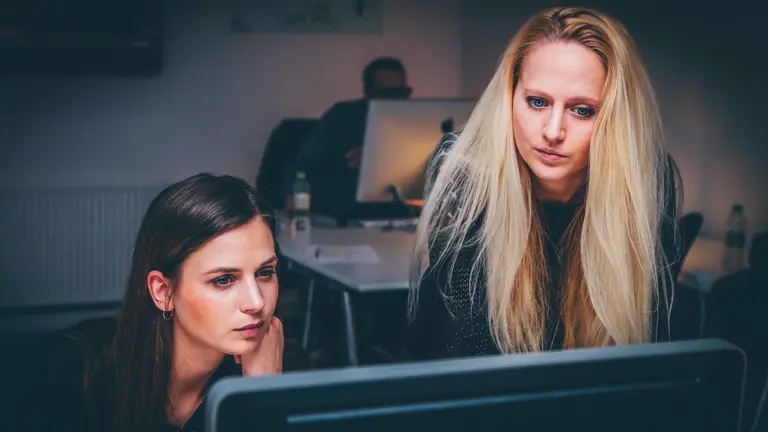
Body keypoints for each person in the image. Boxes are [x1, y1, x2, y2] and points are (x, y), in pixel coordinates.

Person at [407, 7, 681, 360]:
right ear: (510, 96)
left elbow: (645, 348)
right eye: (537, 102)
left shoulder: (647, 180)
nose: (553, 132)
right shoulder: (466, 169)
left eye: (583, 110)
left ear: (615, 118)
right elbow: (467, 348)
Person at [28, 174, 307, 432]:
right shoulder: (76, 373)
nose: (256, 302)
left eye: (265, 273)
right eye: (223, 280)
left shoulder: (278, 372)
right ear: (164, 292)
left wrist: (261, 395)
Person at [283, 56, 412, 216]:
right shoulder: (342, 117)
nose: (396, 101)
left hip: (398, 213)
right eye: (387, 93)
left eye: (402, 93)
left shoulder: (414, 125)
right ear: (368, 92)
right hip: (346, 213)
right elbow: (303, 165)